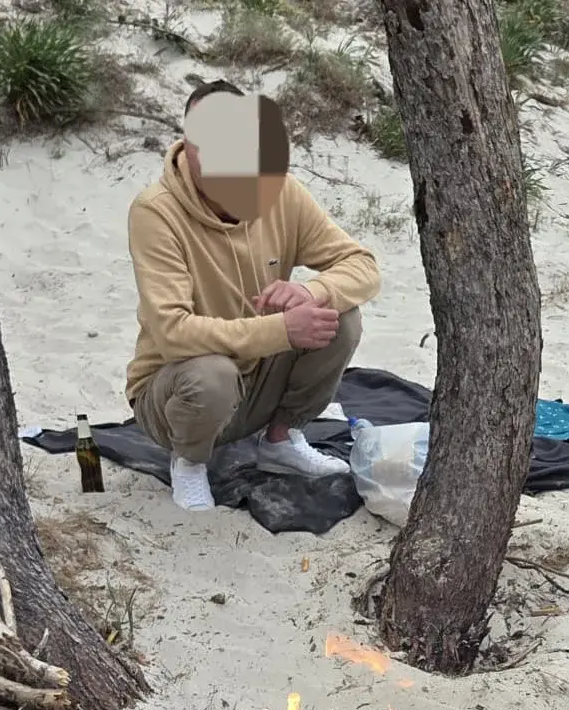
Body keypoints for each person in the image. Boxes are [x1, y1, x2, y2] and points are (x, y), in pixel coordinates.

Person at [124, 79, 382, 511]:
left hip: (255, 383)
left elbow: (364, 267)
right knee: (212, 374)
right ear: (186, 144)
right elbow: (172, 333)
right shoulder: (155, 212)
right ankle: (188, 463)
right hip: (173, 393)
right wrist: (282, 328)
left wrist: (309, 290)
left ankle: (280, 440)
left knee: (339, 316)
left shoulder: (281, 193)